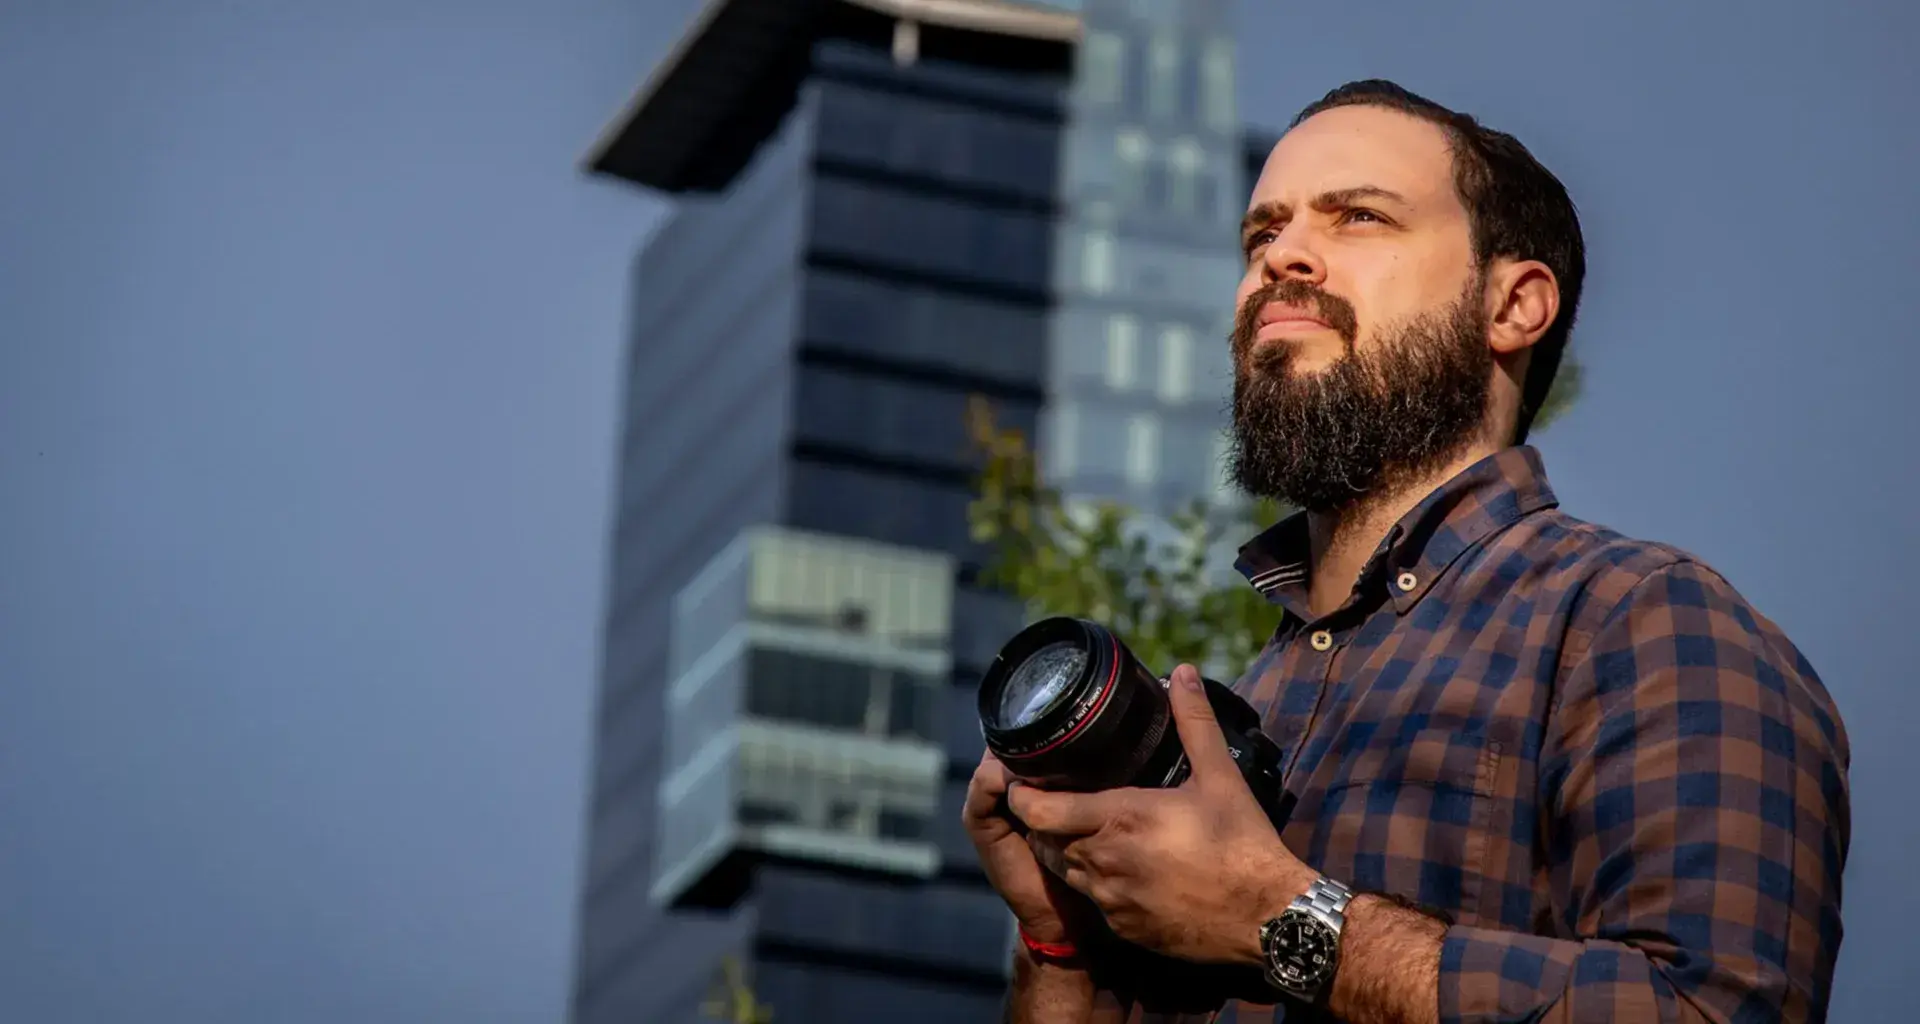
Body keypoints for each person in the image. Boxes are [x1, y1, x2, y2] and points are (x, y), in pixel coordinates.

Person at [963, 79, 1851, 1024]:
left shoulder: (1644, 627)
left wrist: (1276, 917)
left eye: (1358, 218)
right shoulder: (1227, 720)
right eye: (1262, 235)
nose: (1284, 256)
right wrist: (1057, 940)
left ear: (1513, 304)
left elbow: (1712, 1010)